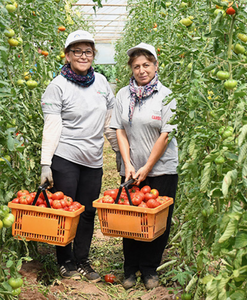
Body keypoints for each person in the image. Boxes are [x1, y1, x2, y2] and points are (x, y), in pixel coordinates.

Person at [40, 30, 118, 283]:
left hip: (93, 159)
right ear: (67, 55)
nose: (83, 56)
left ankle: (82, 260)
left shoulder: (102, 83)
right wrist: (45, 164)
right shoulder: (57, 86)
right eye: (77, 51)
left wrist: (118, 152)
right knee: (65, 211)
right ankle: (65, 261)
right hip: (65, 157)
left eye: (88, 51)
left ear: (93, 55)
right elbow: (52, 126)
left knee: (86, 212)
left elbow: (109, 123)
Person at [110, 42, 178, 290]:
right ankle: (130, 268)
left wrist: (147, 167)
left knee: (157, 219)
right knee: (129, 218)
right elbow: (120, 130)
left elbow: (165, 134)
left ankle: (149, 269)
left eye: (146, 65)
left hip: (161, 169)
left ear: (155, 66)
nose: (141, 70)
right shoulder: (122, 95)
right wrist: (127, 164)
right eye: (136, 66)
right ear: (131, 68)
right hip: (130, 169)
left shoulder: (166, 95)